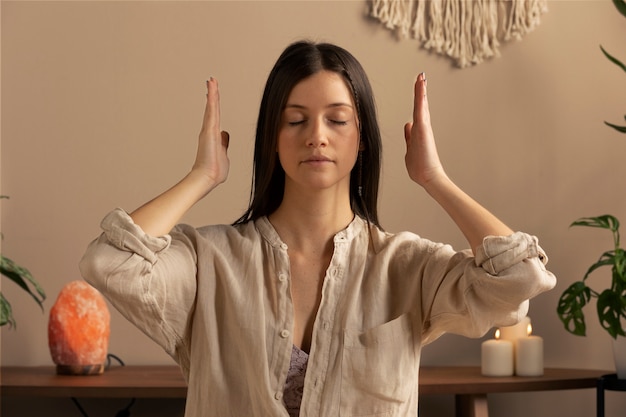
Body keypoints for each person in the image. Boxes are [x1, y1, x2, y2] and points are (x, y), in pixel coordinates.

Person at [80, 40, 556, 417]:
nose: (316, 136)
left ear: (362, 137)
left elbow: (518, 280)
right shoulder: (210, 261)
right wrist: (201, 177)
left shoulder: (406, 266)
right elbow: (109, 264)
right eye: (295, 120)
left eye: (337, 119)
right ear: (272, 138)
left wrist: (436, 179)